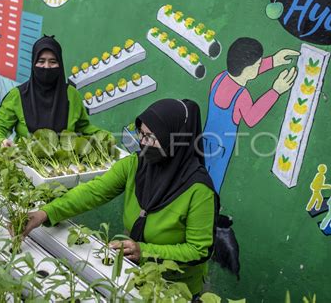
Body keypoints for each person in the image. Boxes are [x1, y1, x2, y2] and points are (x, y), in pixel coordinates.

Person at [22, 99, 218, 296]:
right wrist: (46, 212)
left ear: (175, 139)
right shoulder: (136, 165)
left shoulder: (199, 190)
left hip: (176, 290)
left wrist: (145, 251)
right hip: (137, 276)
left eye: (151, 137)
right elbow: (94, 191)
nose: (142, 142)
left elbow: (197, 250)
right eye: (141, 133)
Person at [203, 37, 299, 194]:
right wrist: (276, 91)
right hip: (221, 150)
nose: (260, 65)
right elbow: (251, 119)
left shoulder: (220, 78)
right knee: (212, 187)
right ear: (249, 69)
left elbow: (247, 71)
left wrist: (274, 61)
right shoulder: (242, 95)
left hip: (205, 141)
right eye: (258, 64)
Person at [0, 35, 102, 148]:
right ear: (33, 63)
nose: (46, 67)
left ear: (60, 64)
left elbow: (85, 128)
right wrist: (1, 141)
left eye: (52, 62)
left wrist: (105, 138)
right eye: (41, 61)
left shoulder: (71, 95)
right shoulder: (18, 95)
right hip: (25, 162)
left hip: (66, 165)